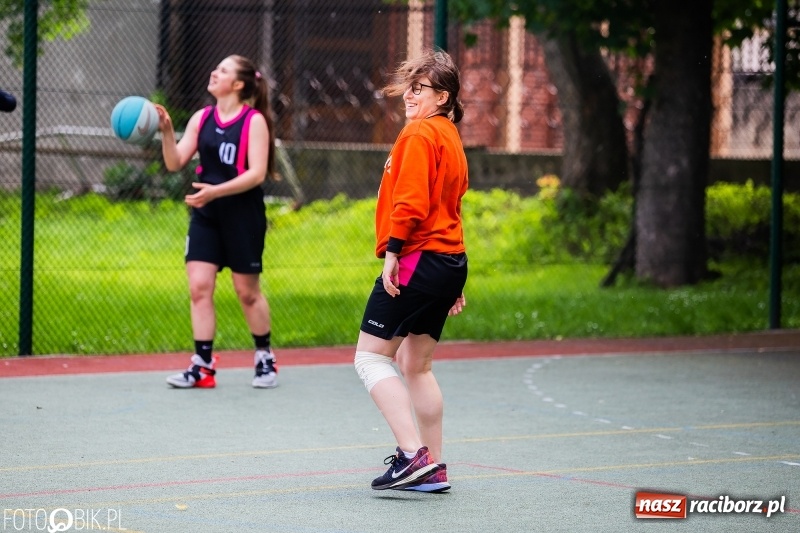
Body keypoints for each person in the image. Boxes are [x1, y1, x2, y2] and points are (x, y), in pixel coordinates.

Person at [354, 50, 468, 492]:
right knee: (414, 363)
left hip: (419, 256)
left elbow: (414, 203)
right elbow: (451, 209)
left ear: (442, 97)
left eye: (419, 89)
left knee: (370, 357)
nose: (409, 95)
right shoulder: (448, 135)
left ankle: (412, 456)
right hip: (446, 260)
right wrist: (453, 277)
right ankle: (433, 465)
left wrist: (393, 253)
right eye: (409, 87)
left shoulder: (420, 133)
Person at [155, 54, 278, 389]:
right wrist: (167, 131)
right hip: (206, 215)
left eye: (222, 70)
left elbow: (256, 174)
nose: (214, 72)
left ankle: (265, 357)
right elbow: (175, 161)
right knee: (199, 287)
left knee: (247, 292)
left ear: (237, 84)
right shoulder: (202, 117)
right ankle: (203, 365)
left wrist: (215, 191)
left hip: (242, 216)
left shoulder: (253, 121)